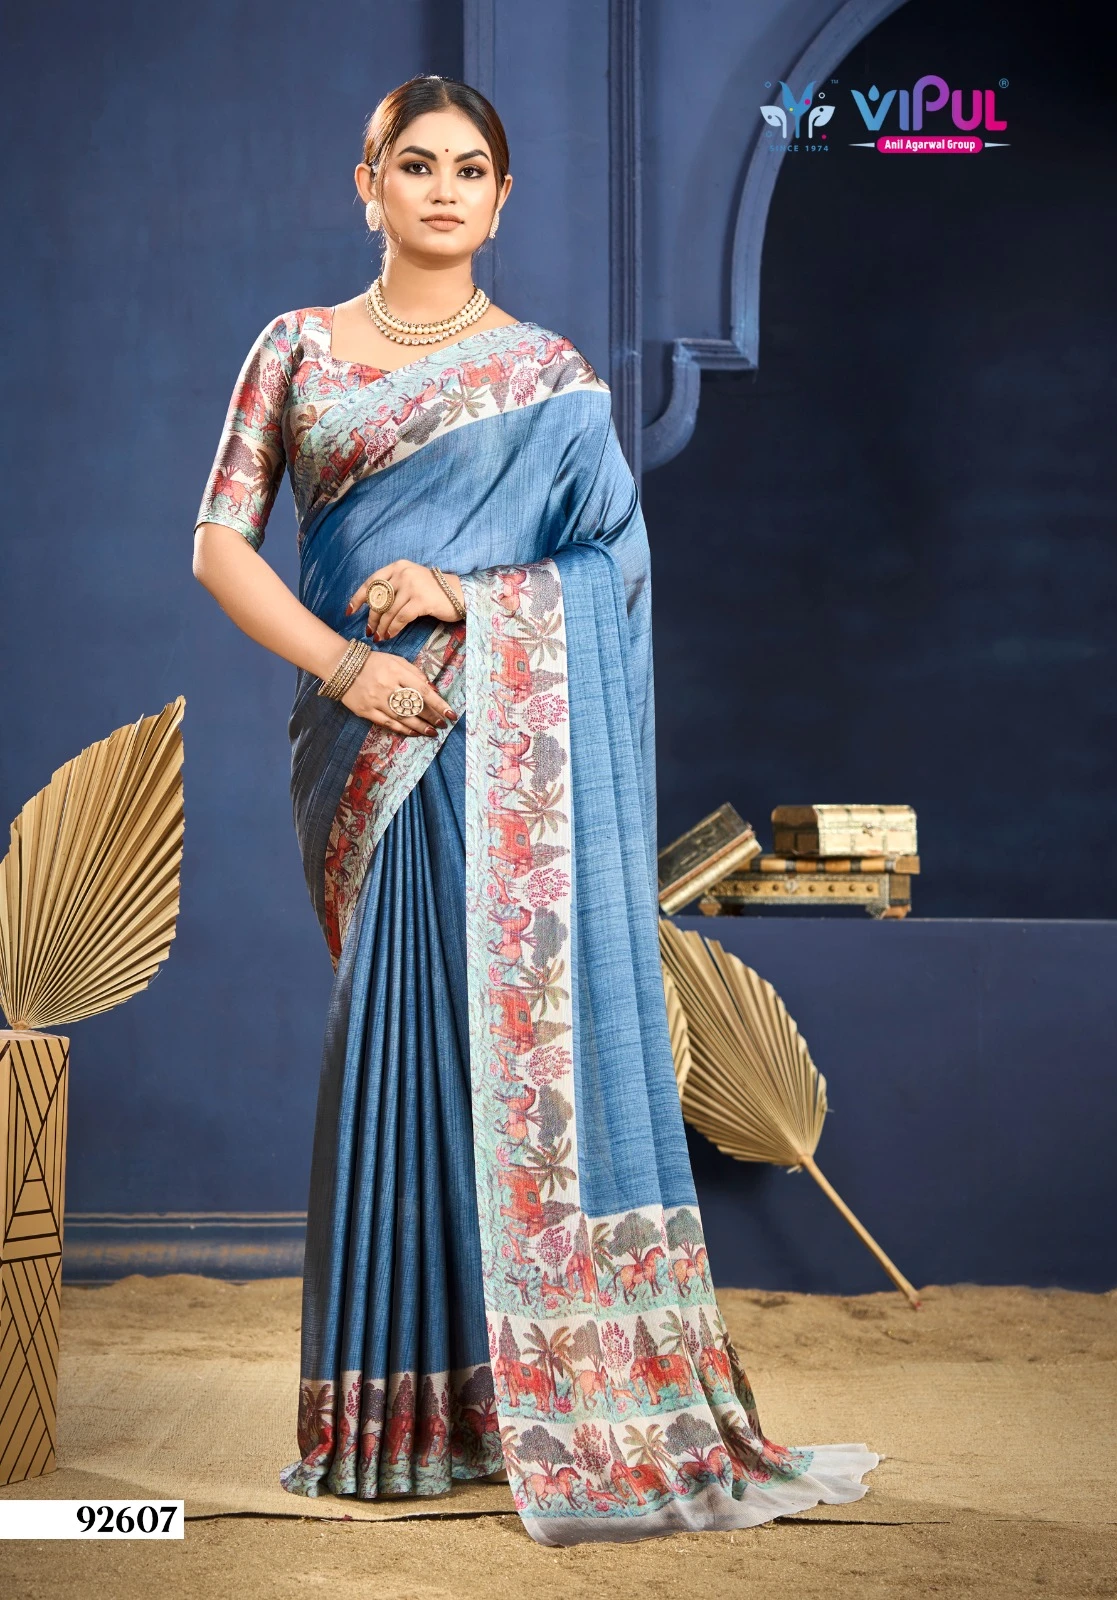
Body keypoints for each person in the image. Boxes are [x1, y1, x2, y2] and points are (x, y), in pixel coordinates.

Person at [192, 72, 877, 1547]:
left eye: (471, 169)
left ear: (502, 200)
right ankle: (397, 1420)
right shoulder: (295, 350)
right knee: (400, 1054)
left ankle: (519, 1407)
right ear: (367, 182)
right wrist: (351, 668)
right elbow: (219, 546)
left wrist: (463, 596)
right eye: (416, 163)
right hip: (370, 754)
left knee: (507, 1065)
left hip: (502, 760)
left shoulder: (548, 379)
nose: (442, 189)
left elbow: (615, 565)